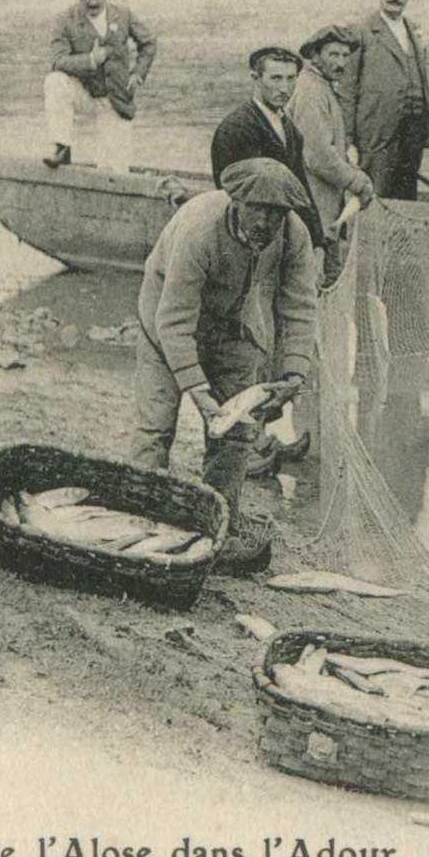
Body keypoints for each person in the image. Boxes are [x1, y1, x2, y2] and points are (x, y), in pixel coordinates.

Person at [131, 160, 319, 573]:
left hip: (232, 327)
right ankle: (139, 522)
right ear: (237, 201)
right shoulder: (201, 231)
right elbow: (174, 322)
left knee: (236, 432)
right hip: (166, 323)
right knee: (155, 426)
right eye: (258, 209)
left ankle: (218, 525)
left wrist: (293, 373)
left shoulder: (293, 237)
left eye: (277, 213)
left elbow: (300, 306)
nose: (266, 222)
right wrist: (198, 390)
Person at [210, 46, 327, 255]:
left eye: (291, 79)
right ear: (256, 78)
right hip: (245, 241)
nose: (285, 88)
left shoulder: (290, 131)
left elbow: (301, 190)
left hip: (279, 237)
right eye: (276, 79)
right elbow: (233, 196)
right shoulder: (237, 128)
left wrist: (317, 243)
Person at [287, 23, 377, 282]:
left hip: (327, 214)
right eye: (333, 55)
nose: (341, 62)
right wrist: (357, 182)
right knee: (313, 283)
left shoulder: (324, 87)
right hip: (313, 213)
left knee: (328, 280)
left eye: (345, 55)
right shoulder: (311, 91)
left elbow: (332, 148)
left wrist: (352, 168)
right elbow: (318, 156)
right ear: (315, 56)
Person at [340, 0, 429, 201]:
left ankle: (401, 237)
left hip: (413, 127)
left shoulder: (413, 29)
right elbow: (347, 88)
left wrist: (427, 123)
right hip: (376, 130)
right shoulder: (361, 30)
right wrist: (347, 139)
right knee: (374, 192)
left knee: (406, 192)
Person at [43, 0, 158, 169]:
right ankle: (61, 147)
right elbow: (58, 61)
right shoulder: (63, 20)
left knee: (113, 168)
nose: (93, 2)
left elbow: (148, 43)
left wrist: (138, 73)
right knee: (54, 81)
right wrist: (90, 60)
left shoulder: (123, 14)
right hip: (85, 93)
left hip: (115, 99)